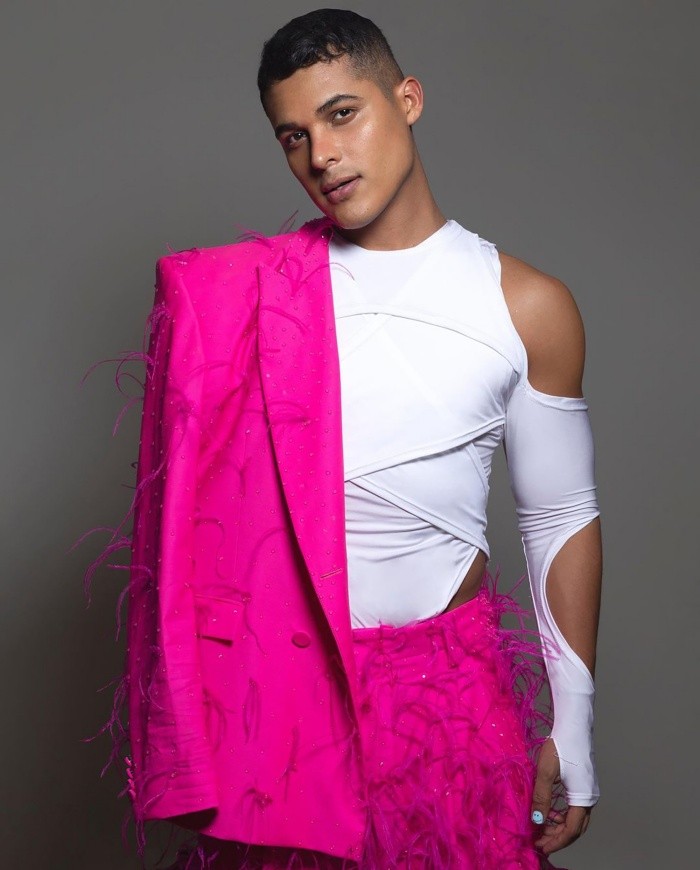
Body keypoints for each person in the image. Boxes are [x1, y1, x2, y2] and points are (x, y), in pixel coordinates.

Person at [83, 8, 602, 870]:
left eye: (341, 114)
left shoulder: (528, 306)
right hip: (287, 693)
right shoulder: (250, 298)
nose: (320, 155)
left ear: (408, 99)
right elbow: (185, 538)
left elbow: (560, 517)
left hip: (449, 692)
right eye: (293, 136)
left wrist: (573, 722)